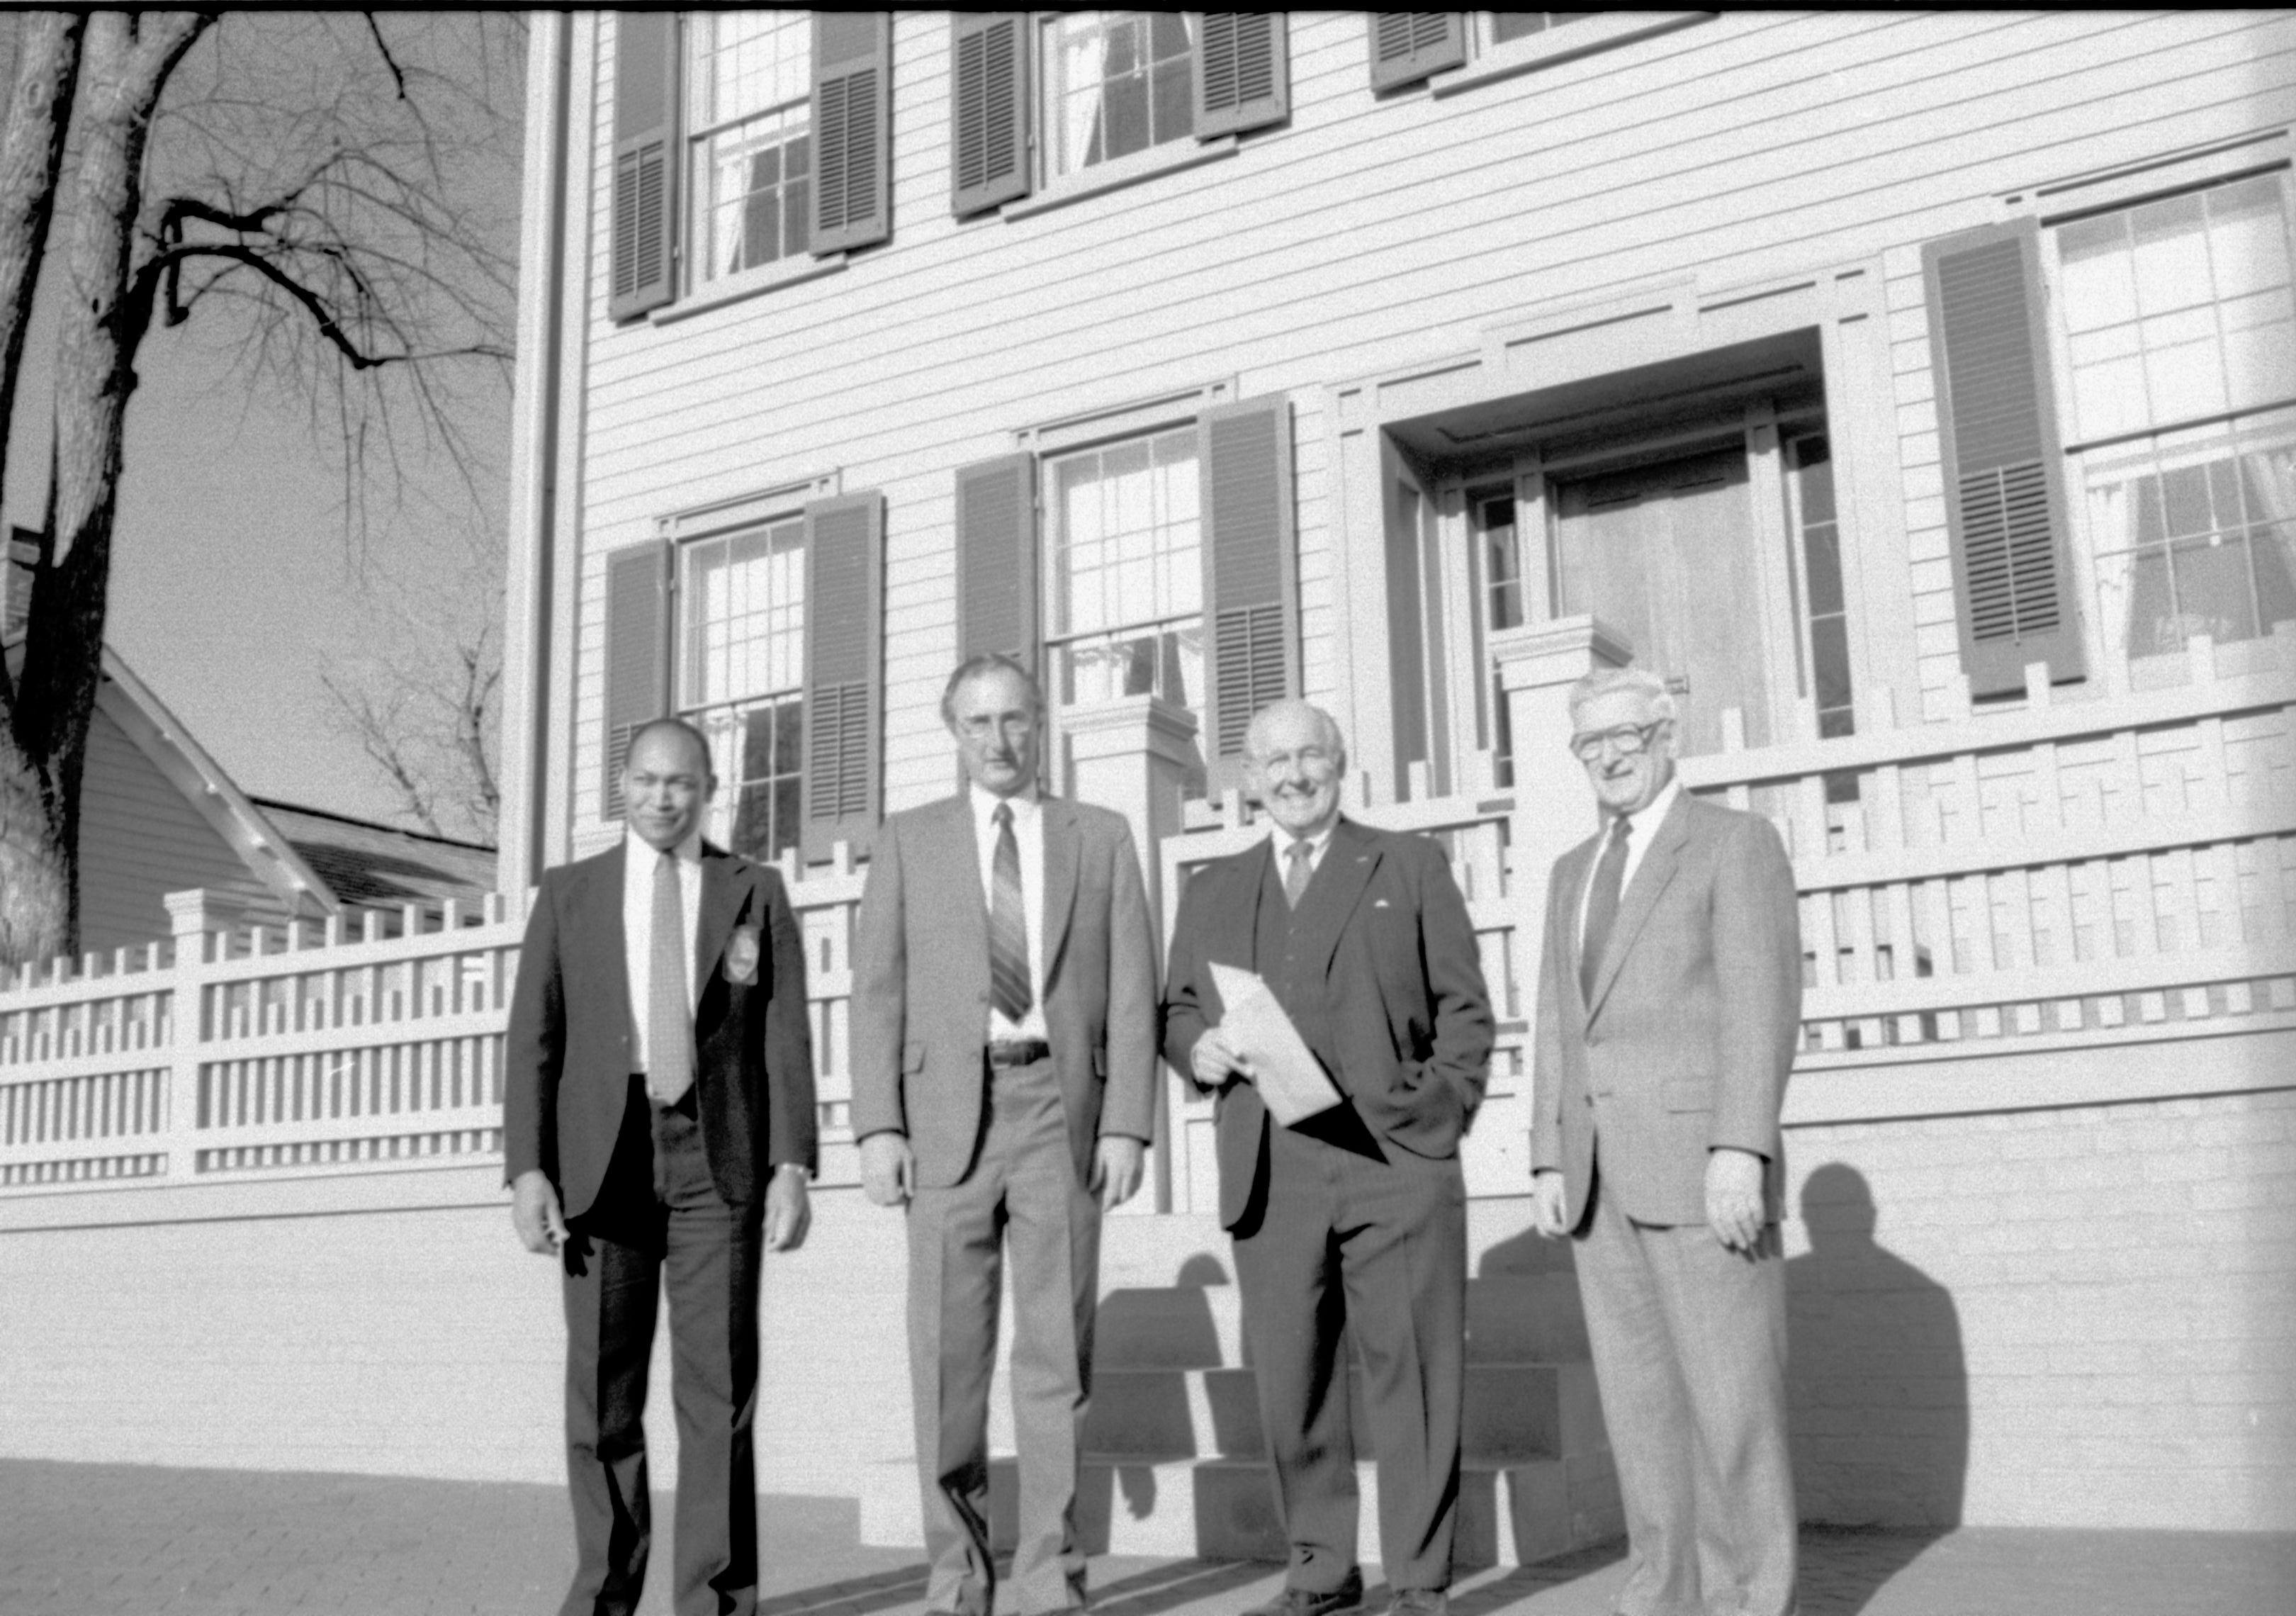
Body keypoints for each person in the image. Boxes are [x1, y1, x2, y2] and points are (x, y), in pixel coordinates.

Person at [1161, 700, 1493, 1616]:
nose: (1295, 774)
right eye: (1275, 760)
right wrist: (1199, 1048)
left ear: (1341, 763)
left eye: (1311, 754)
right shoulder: (1213, 889)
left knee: (1413, 1373)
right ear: (1249, 777)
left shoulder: (1409, 865)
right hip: (1272, 1165)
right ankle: (1320, 1567)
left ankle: (1421, 1580)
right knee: (1292, 1375)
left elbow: (1465, 1011)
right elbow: (1177, 1007)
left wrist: (1436, 1116)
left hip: (1396, 1163)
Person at [850, 653, 1158, 1616]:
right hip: (946, 1119)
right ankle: (956, 1574)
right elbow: (877, 992)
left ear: (1042, 724)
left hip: (1057, 1113)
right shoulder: (910, 841)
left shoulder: (1099, 837)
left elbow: (1133, 991)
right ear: (954, 732)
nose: (999, 739)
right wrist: (878, 1125)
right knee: (947, 1356)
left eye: (1016, 719)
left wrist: (1127, 1125)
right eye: (979, 722)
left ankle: (1048, 1578)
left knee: (1054, 1355)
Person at [505, 717, 817, 1616]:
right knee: (603, 1394)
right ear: (623, 785)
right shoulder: (570, 894)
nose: (661, 797)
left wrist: (792, 1162)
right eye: (645, 779)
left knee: (718, 1396)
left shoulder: (753, 889)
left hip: (716, 1160)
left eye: (681, 782)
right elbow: (535, 1037)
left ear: (708, 788)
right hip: (601, 1160)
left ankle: (716, 1601)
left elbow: (783, 1034)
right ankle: (604, 1594)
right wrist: (528, 1170)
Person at [1528, 665, 1803, 1616]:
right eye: (1589, 743)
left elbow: (1760, 1005)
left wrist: (1742, 1149)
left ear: (1666, 736)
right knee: (1641, 1420)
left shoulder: (1734, 844)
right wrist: (1549, 1157)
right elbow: (1561, 1025)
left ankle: (1751, 1604)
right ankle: (1661, 1601)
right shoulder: (1574, 869)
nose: (1608, 756)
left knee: (1734, 1414)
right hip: (1599, 1179)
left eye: (1626, 737)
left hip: (1702, 1171)